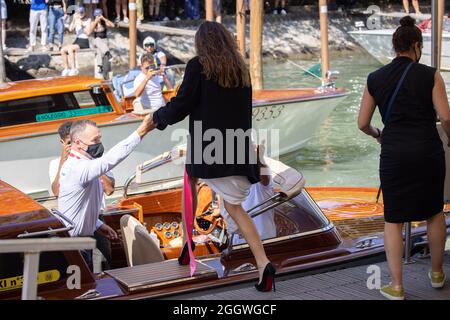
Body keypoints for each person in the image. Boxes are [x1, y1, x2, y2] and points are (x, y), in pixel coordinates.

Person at [151, 21, 275, 292]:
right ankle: (263, 263)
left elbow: (182, 104)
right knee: (233, 207)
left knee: (190, 181)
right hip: (237, 148)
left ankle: (187, 244)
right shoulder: (240, 68)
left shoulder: (198, 66)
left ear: (201, 43)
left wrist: (157, 118)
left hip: (209, 149)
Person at [358, 16, 450, 300]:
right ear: (416, 45)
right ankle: (436, 273)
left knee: (393, 219)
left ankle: (397, 286)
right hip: (427, 150)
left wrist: (377, 134)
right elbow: (446, 117)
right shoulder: (431, 74)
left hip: (394, 152)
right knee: (434, 213)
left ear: (395, 46)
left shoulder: (375, 78)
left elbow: (362, 123)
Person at [58, 115, 155, 269]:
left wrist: (97, 224)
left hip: (81, 241)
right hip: (75, 246)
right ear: (78, 143)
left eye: (99, 139)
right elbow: (110, 159)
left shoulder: (82, 163)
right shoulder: (77, 168)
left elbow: (79, 206)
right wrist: (141, 131)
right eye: (95, 140)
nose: (99, 144)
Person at [49, 121, 115, 270]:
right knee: (82, 269)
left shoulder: (97, 161)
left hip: (97, 218)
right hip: (76, 226)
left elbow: (109, 189)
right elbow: (56, 192)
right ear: (62, 142)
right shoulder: (56, 164)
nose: (73, 147)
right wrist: (63, 161)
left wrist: (94, 165)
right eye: (68, 143)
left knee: (105, 264)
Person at [220, 150, 276, 245]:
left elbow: (265, 177)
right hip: (238, 243)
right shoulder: (230, 185)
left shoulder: (261, 184)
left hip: (264, 241)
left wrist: (259, 160)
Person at [61, 6, 91, 77]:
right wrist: (74, 20)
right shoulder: (77, 20)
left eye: (82, 13)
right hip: (77, 40)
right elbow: (71, 29)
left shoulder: (88, 20)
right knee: (63, 50)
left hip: (84, 41)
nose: (80, 14)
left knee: (70, 49)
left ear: (84, 13)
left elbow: (88, 32)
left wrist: (81, 25)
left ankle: (74, 69)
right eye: (79, 13)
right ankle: (66, 68)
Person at [88, 8, 115, 79]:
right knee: (97, 40)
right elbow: (89, 32)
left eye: (99, 15)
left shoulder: (104, 22)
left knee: (99, 51)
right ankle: (108, 54)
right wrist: (95, 22)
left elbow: (112, 25)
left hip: (104, 41)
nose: (98, 17)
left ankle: (100, 66)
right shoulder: (93, 23)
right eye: (97, 16)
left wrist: (104, 19)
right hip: (96, 42)